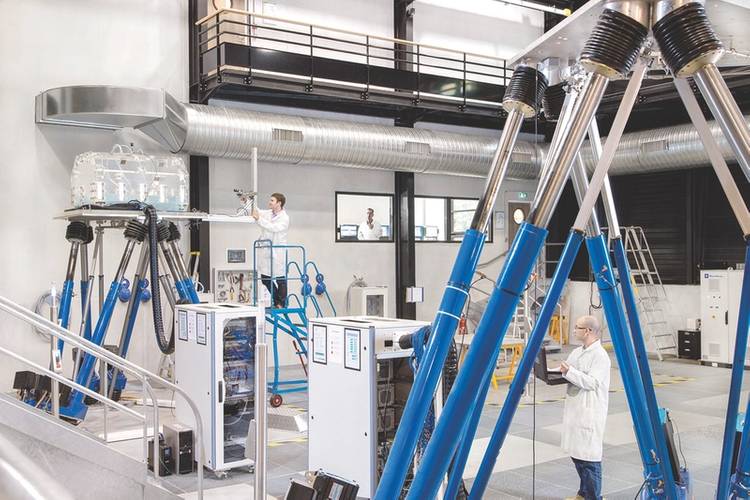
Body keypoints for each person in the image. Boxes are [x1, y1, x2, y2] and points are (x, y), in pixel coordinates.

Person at [561, 315, 611, 500]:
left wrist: (570, 372)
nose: (574, 330)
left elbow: (592, 382)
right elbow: (569, 370)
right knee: (578, 455)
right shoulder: (577, 352)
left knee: (589, 460)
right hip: (576, 410)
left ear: (588, 331)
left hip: (590, 412)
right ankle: (583, 493)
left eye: (577, 327)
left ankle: (593, 497)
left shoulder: (600, 356)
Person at [251, 193, 290, 308]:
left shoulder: (284, 218)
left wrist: (259, 220)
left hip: (278, 251)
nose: (269, 202)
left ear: (279, 203)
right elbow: (256, 212)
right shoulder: (268, 213)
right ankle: (277, 300)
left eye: (272, 200)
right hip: (267, 251)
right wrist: (246, 201)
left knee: (280, 278)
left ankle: (281, 303)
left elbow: (273, 228)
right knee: (265, 278)